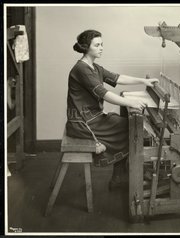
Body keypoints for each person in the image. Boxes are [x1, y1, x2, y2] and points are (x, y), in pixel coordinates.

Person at [66, 29, 158, 189]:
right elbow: (104, 93)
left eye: (102, 44)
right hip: (83, 123)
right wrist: (130, 103)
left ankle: (119, 176)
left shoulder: (94, 68)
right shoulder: (81, 69)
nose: (101, 47)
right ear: (86, 47)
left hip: (93, 118)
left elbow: (117, 78)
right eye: (97, 45)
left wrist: (143, 81)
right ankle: (125, 175)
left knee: (125, 124)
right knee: (132, 128)